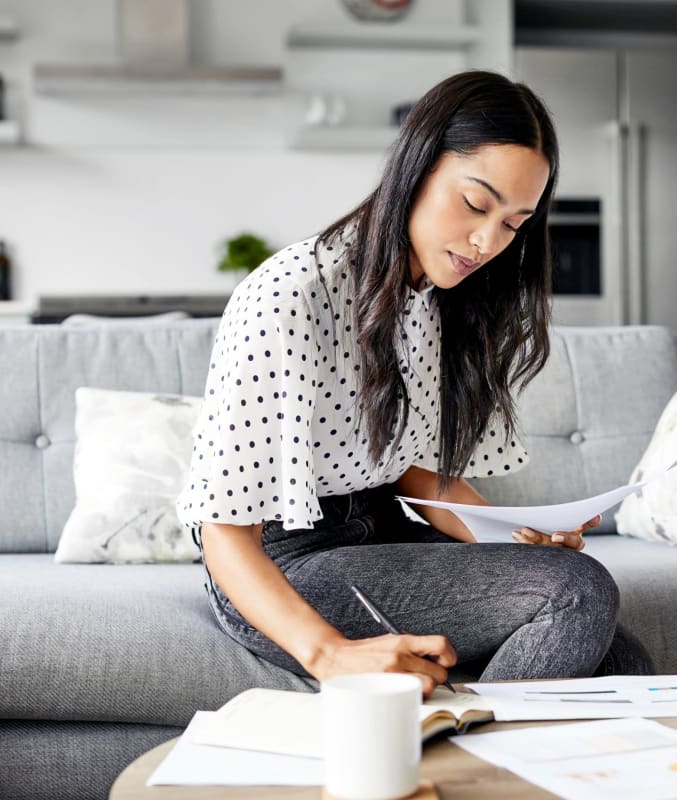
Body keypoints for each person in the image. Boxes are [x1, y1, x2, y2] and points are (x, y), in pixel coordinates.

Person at [177, 70, 652, 696]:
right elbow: (224, 529)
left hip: (382, 533)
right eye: (476, 204)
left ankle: (479, 759)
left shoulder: (442, 297)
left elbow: (416, 473)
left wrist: (520, 539)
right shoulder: (292, 294)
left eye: (514, 224)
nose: (488, 242)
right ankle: (460, 769)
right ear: (416, 168)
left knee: (621, 660)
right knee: (577, 594)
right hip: (279, 566)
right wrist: (329, 655)